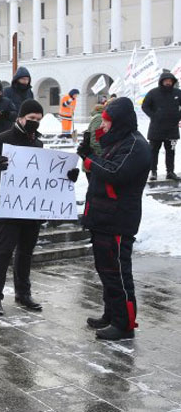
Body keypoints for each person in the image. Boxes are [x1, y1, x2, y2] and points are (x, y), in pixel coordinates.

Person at [0, 99, 77, 316]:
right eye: (31, 118)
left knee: (26, 253)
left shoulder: (38, 144)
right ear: (20, 118)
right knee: (2, 253)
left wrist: (67, 175)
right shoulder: (1, 140)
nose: (34, 122)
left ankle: (23, 293)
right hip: (8, 207)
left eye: (38, 119)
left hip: (31, 209)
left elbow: (45, 174)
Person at [78, 97, 151, 340]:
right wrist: (92, 148)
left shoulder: (135, 145)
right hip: (103, 218)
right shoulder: (118, 142)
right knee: (106, 271)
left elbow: (116, 173)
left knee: (118, 273)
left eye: (107, 122)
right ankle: (111, 314)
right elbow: (103, 168)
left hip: (118, 220)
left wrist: (90, 159)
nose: (103, 126)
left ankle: (124, 324)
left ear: (119, 122)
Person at [141, 71, 181, 181]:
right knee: (154, 151)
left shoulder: (178, 93)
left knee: (171, 151)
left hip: (172, 129)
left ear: (173, 82)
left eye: (170, 81)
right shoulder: (153, 93)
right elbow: (145, 106)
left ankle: (170, 172)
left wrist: (178, 116)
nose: (168, 82)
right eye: (166, 80)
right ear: (161, 81)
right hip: (156, 129)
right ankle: (153, 172)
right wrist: (154, 116)